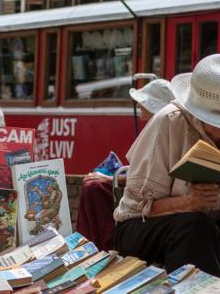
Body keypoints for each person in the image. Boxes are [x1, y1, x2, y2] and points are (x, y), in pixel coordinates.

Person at [113, 54, 220, 283]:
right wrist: (189, 202)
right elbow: (140, 208)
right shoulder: (169, 121)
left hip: (214, 223)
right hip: (144, 226)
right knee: (195, 226)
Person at [75, 79, 175, 251]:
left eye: (143, 103)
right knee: (93, 184)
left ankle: (100, 245)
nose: (139, 107)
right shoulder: (156, 127)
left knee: (94, 186)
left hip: (150, 201)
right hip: (143, 191)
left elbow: (149, 175)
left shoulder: (165, 131)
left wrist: (109, 178)